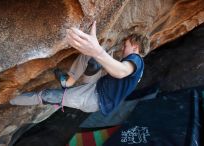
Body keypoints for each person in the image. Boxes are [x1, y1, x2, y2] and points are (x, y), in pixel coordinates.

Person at [10, 21, 148, 115]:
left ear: (135, 47)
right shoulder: (136, 66)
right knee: (93, 59)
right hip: (97, 85)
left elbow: (121, 71)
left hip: (93, 98)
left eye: (126, 45)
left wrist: (97, 51)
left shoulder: (136, 60)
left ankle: (10, 100)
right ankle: (68, 81)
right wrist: (99, 53)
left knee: (48, 96)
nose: (123, 48)